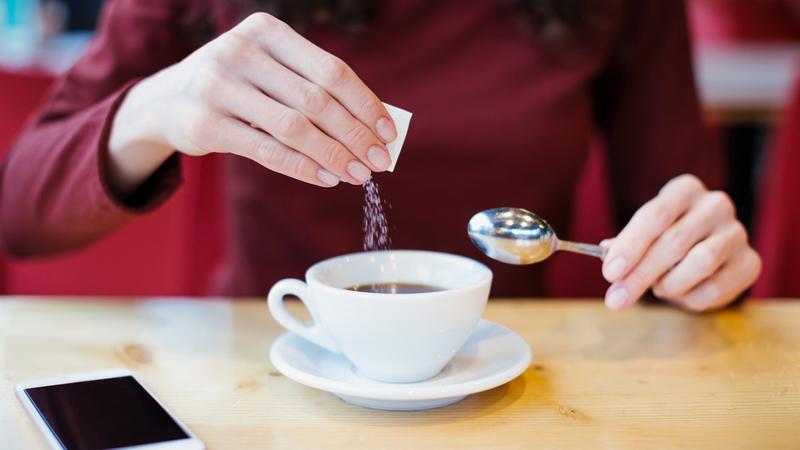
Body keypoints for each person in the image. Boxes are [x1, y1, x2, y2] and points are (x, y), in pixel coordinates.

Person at [0, 0, 761, 311]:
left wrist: (696, 258)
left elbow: (674, 217)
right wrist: (156, 109)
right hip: (267, 368)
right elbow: (19, 215)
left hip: (512, 380)